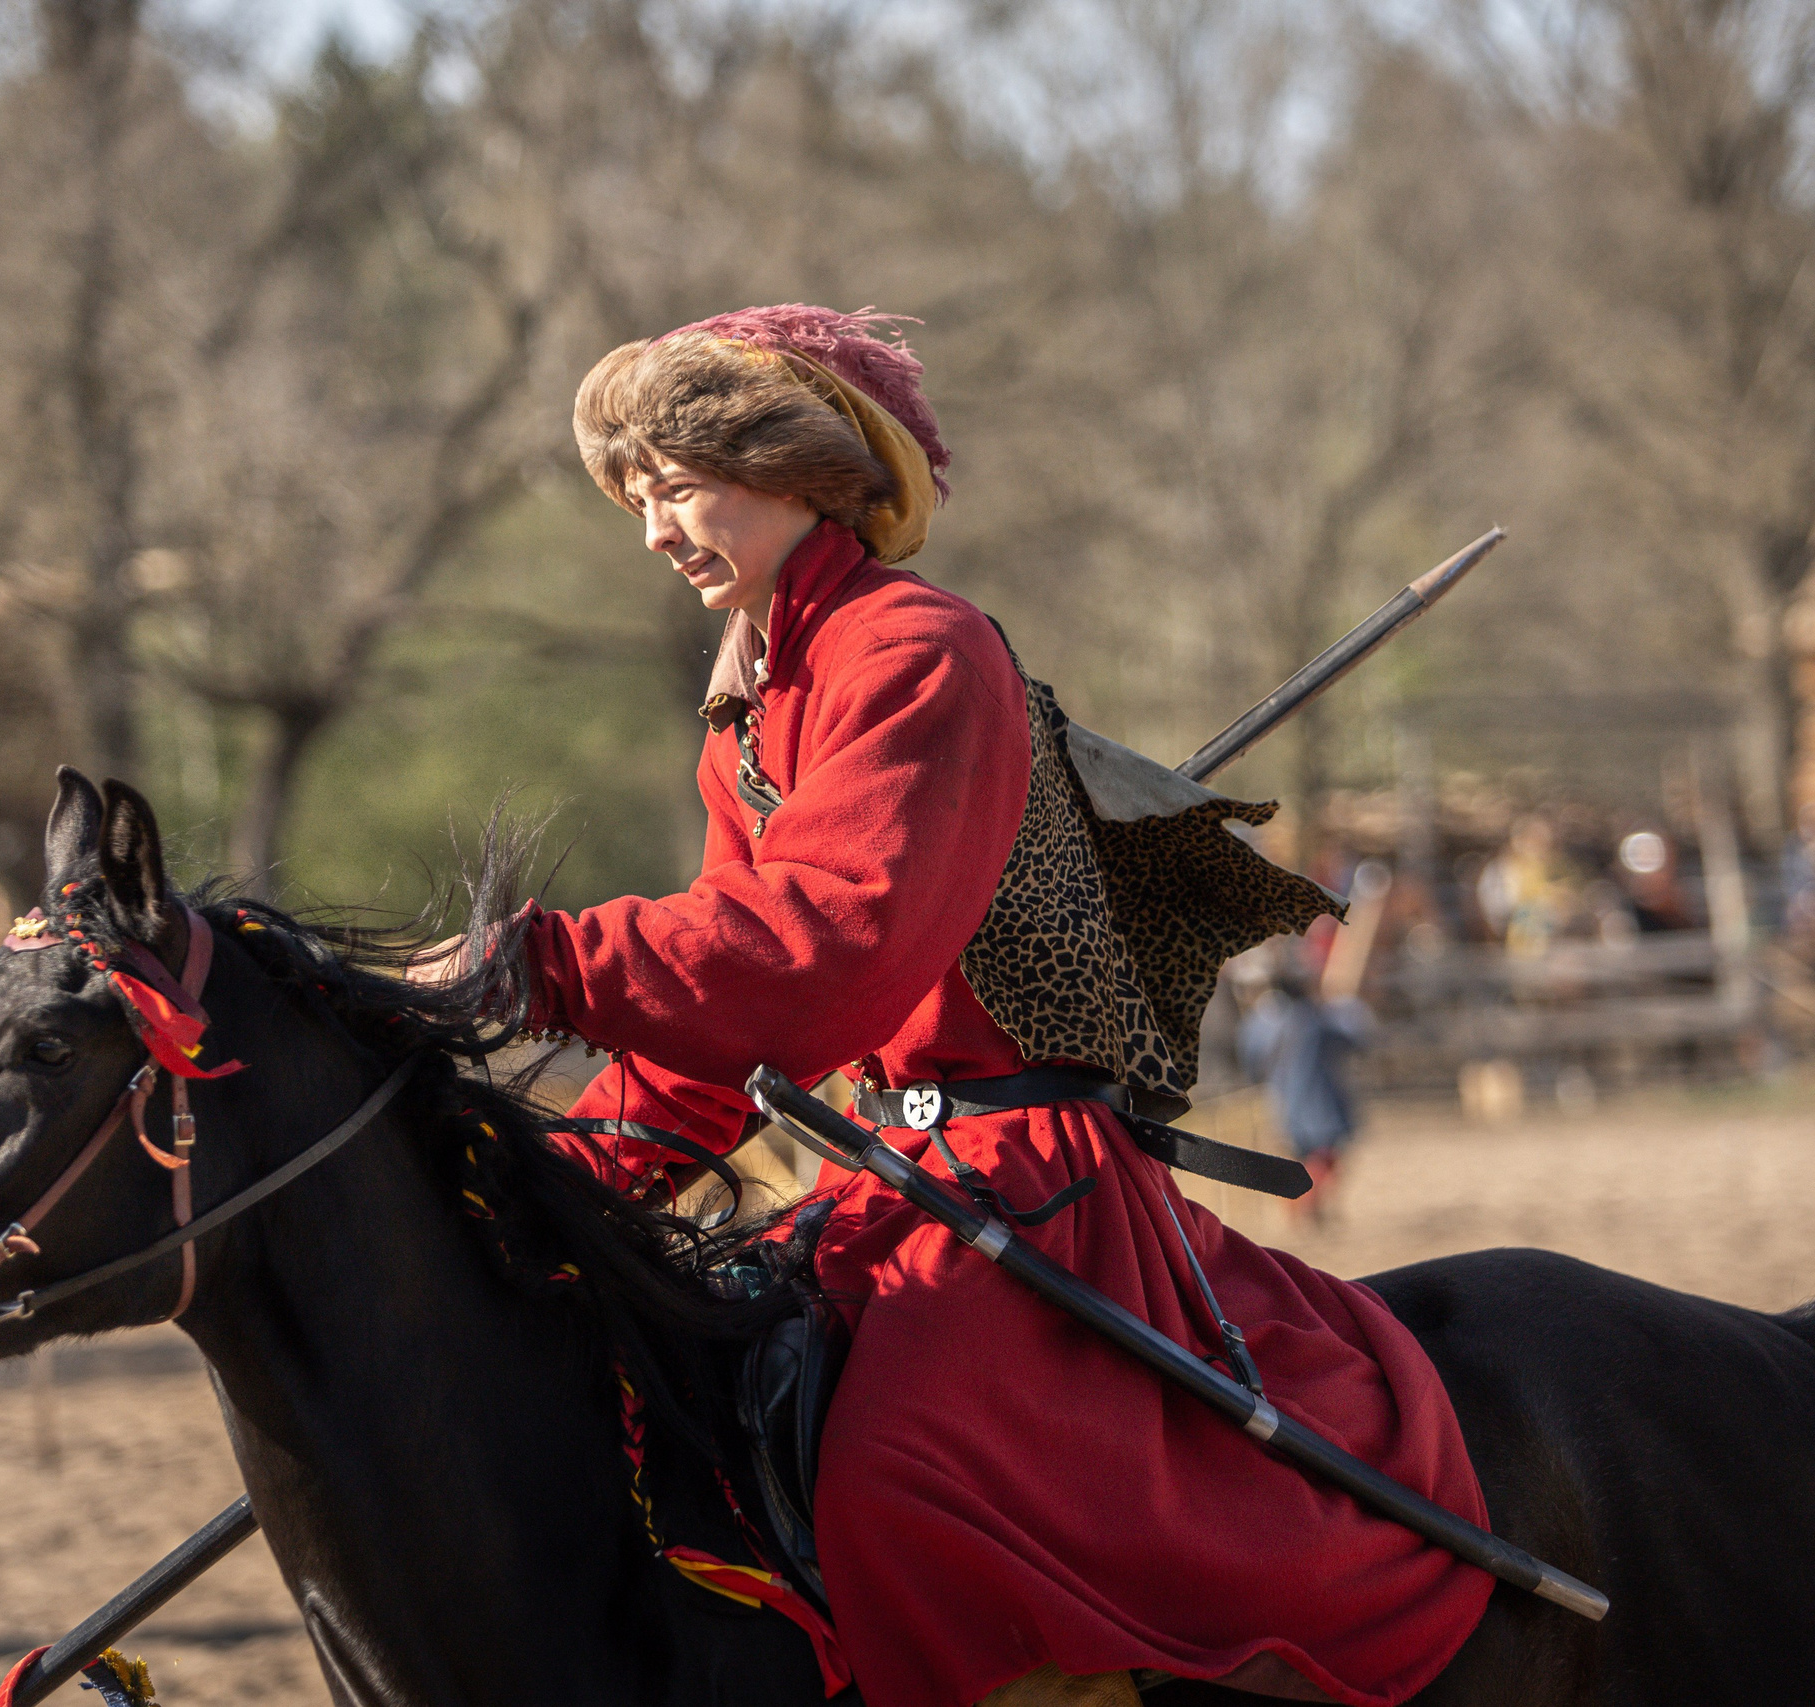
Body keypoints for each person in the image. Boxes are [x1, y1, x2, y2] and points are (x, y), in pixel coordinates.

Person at [457, 306, 1491, 1707]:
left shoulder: (917, 649)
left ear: (794, 464)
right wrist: (544, 1189)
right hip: (890, 1174)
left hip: (1030, 1176)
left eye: (675, 483)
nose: (652, 529)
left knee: (895, 1488)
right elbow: (726, 1037)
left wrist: (550, 961)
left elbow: (827, 940)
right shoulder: (751, 710)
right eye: (635, 497)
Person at [1236, 959, 1371, 1224]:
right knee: (1323, 1158)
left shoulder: (1262, 1022)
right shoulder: (1314, 1020)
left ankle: (1304, 1208)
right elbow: (1353, 1042)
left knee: (1304, 1157)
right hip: (1317, 1103)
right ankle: (1303, 1206)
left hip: (1284, 1101)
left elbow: (1251, 1060)